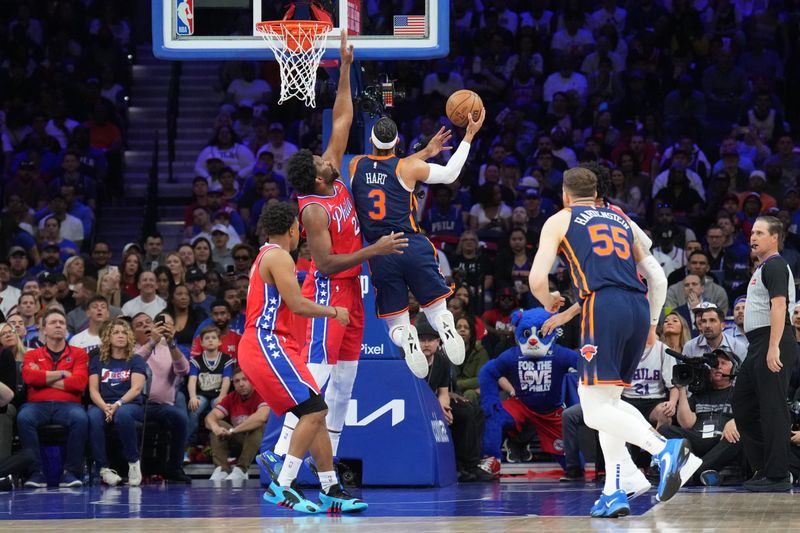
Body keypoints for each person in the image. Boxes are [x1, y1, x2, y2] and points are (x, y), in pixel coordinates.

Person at [529, 167, 699, 517]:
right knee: (607, 402)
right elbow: (655, 274)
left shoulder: (560, 219)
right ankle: (618, 488)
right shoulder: (620, 219)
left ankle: (664, 451)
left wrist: (548, 301)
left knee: (592, 409)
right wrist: (651, 321)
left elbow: (535, 278)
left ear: (565, 193)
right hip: (637, 306)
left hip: (602, 306)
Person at [238, 201, 366, 513]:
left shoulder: (265, 255)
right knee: (314, 411)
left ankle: (330, 488)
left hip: (272, 345)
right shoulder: (279, 255)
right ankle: (282, 486)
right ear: (294, 230)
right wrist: (333, 311)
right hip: (267, 343)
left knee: (316, 413)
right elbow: (297, 304)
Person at [350, 108, 486, 377]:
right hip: (411, 244)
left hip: (381, 250)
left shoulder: (356, 165)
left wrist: (423, 153)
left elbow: (388, 165)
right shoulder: (408, 167)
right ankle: (445, 325)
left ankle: (407, 337)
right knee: (437, 309)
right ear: (398, 142)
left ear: (371, 142)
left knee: (396, 325)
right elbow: (449, 175)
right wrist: (469, 136)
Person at [733, 216, 800, 491]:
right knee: (743, 404)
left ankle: (778, 475)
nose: (753, 237)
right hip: (758, 343)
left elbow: (780, 305)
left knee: (773, 407)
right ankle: (765, 466)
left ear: (774, 238)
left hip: (773, 340)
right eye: (752, 232)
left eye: (760, 233)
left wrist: (773, 347)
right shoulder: (763, 267)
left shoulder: (774, 264)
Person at [18, 308, 89, 488]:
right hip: (37, 405)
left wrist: (44, 378)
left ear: (66, 328)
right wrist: (63, 373)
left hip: (69, 405)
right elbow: (29, 378)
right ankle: (36, 473)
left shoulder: (79, 354)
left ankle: (71, 472)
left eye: (62, 323)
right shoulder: (31, 354)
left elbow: (79, 383)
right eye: (53, 322)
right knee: (24, 417)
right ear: (44, 330)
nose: (58, 325)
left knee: (81, 418)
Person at [132, 312, 192, 483]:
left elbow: (184, 370)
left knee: (180, 417)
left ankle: (174, 468)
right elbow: (134, 364)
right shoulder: (131, 349)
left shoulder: (168, 349)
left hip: (161, 406)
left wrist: (172, 343)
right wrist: (152, 343)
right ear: (133, 332)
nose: (145, 326)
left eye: (148, 322)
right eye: (139, 324)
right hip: (136, 405)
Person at [87, 318, 147, 487]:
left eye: (124, 332)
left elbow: (136, 389)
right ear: (108, 337)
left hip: (130, 404)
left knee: (123, 415)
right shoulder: (97, 360)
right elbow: (93, 390)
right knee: (92, 417)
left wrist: (117, 404)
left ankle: (133, 463)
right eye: (116, 332)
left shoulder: (136, 360)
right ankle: (104, 469)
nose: (121, 336)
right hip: (103, 404)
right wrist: (105, 407)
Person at [205, 366, 269, 482]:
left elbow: (261, 417)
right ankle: (222, 469)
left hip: (261, 446)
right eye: (237, 381)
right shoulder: (232, 397)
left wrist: (234, 430)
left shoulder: (261, 394)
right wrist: (215, 428)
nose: (241, 384)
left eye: (245, 379)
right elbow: (210, 417)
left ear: (252, 380)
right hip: (240, 441)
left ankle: (241, 470)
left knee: (258, 426)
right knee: (218, 423)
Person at [187, 326, 234, 448]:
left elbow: (226, 379)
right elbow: (192, 380)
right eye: (207, 338)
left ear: (220, 342)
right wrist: (192, 397)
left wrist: (222, 396)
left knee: (219, 410)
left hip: (218, 394)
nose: (210, 340)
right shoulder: (196, 361)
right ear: (201, 343)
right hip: (202, 394)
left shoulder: (226, 359)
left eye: (214, 338)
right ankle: (189, 445)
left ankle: (220, 445)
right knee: (194, 409)